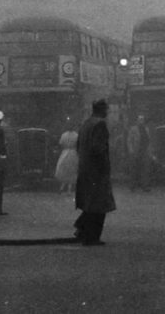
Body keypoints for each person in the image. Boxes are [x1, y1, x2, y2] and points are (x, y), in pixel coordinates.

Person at [74, 99, 116, 246]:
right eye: (106, 109)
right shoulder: (100, 124)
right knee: (99, 205)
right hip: (97, 171)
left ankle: (82, 228)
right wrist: (105, 168)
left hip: (85, 168)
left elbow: (78, 145)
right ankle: (92, 236)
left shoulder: (86, 123)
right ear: (102, 110)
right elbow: (99, 149)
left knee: (89, 202)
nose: (108, 112)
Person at [127, 115, 152, 191]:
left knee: (145, 169)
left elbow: (148, 140)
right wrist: (131, 150)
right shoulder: (133, 129)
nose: (141, 121)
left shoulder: (146, 129)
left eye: (142, 120)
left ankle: (144, 186)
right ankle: (132, 186)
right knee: (134, 169)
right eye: (140, 120)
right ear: (137, 121)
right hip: (136, 151)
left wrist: (149, 150)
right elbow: (129, 140)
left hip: (144, 151)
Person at [54, 119, 79, 193]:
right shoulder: (76, 135)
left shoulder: (64, 135)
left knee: (65, 170)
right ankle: (68, 189)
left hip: (65, 153)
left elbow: (61, 144)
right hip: (73, 153)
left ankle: (63, 188)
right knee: (71, 171)